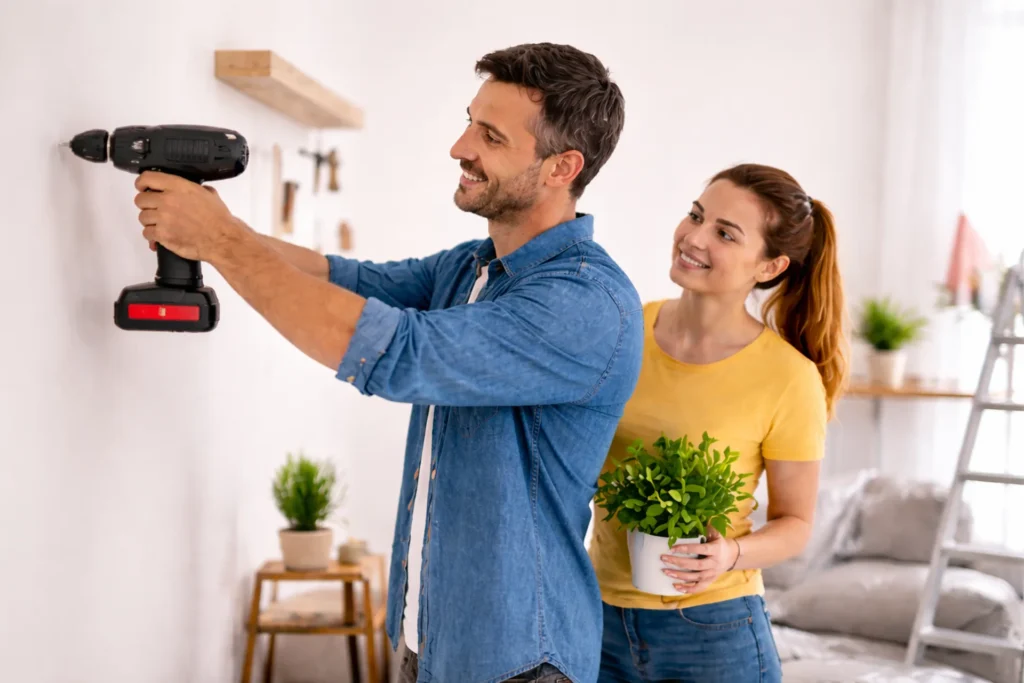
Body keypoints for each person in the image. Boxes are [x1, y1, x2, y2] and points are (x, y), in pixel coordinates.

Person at [132, 43, 643, 683]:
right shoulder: (470, 265)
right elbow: (346, 280)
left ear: (561, 167)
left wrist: (222, 242)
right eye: (468, 121)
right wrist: (205, 226)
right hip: (426, 640)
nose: (459, 146)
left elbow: (395, 353)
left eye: (490, 135)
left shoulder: (583, 304)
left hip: (517, 661)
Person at [588, 163, 849, 683]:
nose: (693, 237)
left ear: (770, 266)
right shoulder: (621, 331)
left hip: (713, 630)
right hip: (598, 620)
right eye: (696, 215)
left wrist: (730, 553)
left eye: (725, 233)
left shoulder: (788, 378)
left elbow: (795, 525)